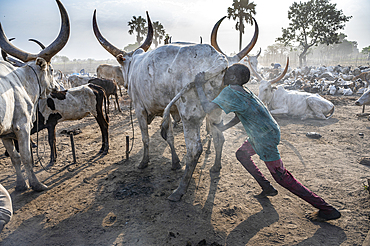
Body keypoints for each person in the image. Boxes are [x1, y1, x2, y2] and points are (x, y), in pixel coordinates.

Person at [194, 63, 341, 222]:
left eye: (227, 73)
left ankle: (326, 209)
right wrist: (225, 127)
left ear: (234, 78)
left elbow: (207, 108)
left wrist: (198, 85)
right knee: (242, 155)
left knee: (282, 177)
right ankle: (266, 187)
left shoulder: (229, 92)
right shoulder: (244, 90)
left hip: (263, 137)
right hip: (267, 130)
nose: (223, 75)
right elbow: (240, 113)